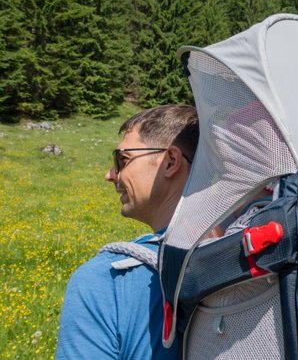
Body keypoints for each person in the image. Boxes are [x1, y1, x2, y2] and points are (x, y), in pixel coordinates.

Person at [56, 104, 199, 359]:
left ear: (171, 162)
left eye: (123, 160)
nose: (110, 175)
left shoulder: (105, 280)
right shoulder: (249, 253)